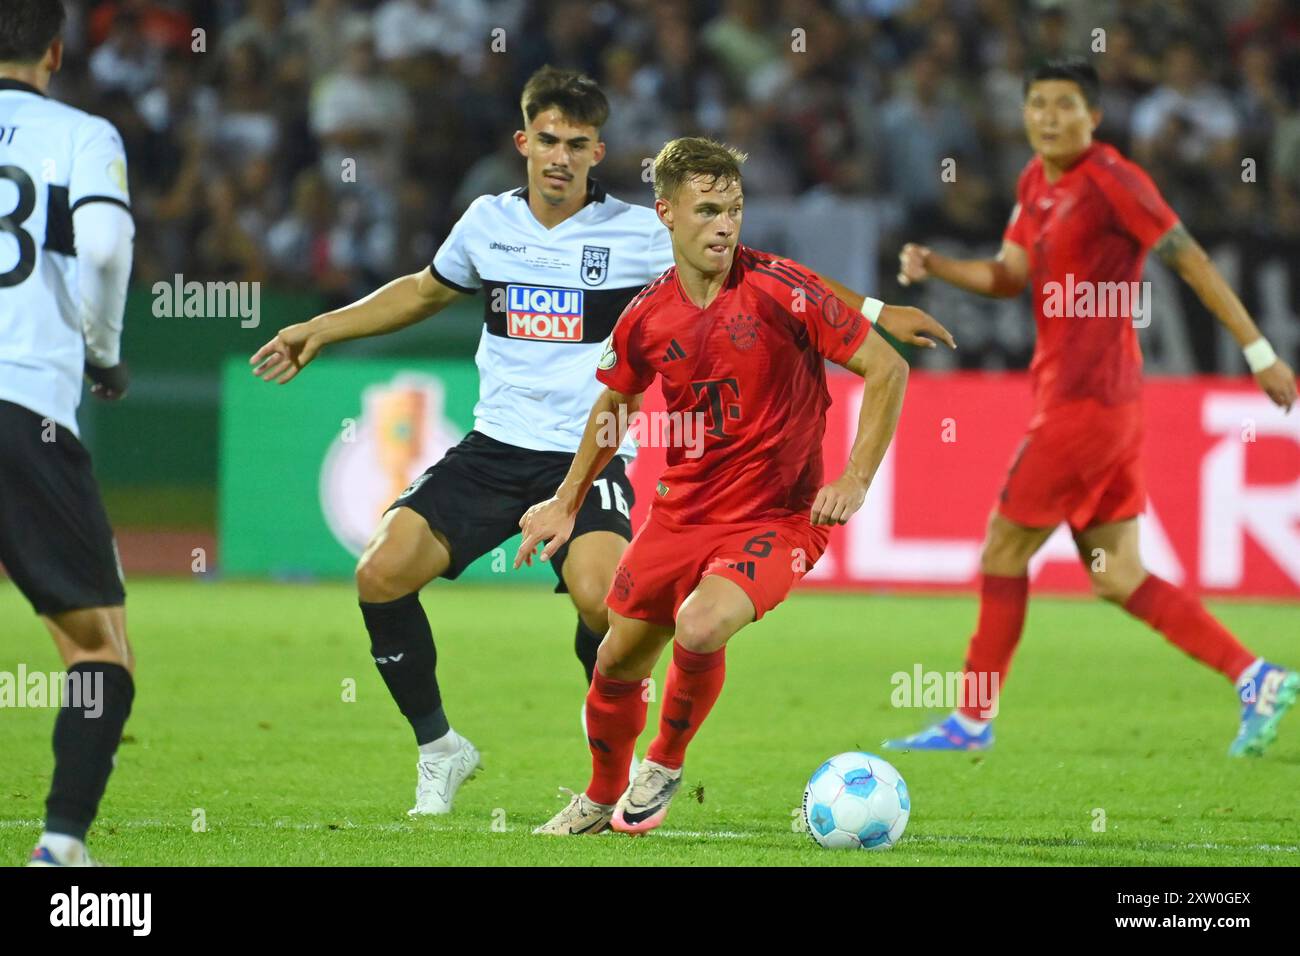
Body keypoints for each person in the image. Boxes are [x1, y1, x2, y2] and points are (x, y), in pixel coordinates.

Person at [252, 67, 949, 816]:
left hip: (589, 454)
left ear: (597, 151)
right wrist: (319, 327)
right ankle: (440, 749)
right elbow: (423, 290)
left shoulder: (644, 233)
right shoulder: (487, 222)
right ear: (523, 141)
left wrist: (875, 310)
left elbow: (781, 280)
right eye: (547, 140)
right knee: (380, 572)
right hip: (493, 447)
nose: (559, 155)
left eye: (576, 144)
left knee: (604, 609)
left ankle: (624, 765)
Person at [887, 58, 1298, 757]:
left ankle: (970, 722)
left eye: (1065, 104)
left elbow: (1192, 259)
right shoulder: (1034, 182)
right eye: (1038, 103)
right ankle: (1255, 677)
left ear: (1094, 115)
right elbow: (1009, 274)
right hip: (1080, 399)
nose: (1049, 116)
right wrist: (939, 267)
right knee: (1117, 574)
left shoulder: (1113, 179)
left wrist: (1259, 352)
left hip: (1090, 405)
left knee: (1002, 548)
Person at [520, 137, 909, 836]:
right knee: (614, 657)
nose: (726, 226)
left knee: (701, 626)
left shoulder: (784, 290)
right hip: (680, 516)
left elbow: (888, 369)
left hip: (778, 516)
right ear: (667, 213)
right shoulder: (646, 315)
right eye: (708, 210)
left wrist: (855, 476)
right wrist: (566, 501)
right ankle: (600, 795)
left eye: (734, 208)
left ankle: (663, 763)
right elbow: (615, 405)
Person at [0, 0, 137, 866]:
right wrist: (106, 353)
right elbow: (106, 247)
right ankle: (59, 847)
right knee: (99, 648)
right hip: (22, 407)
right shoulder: (83, 136)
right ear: (56, 49)